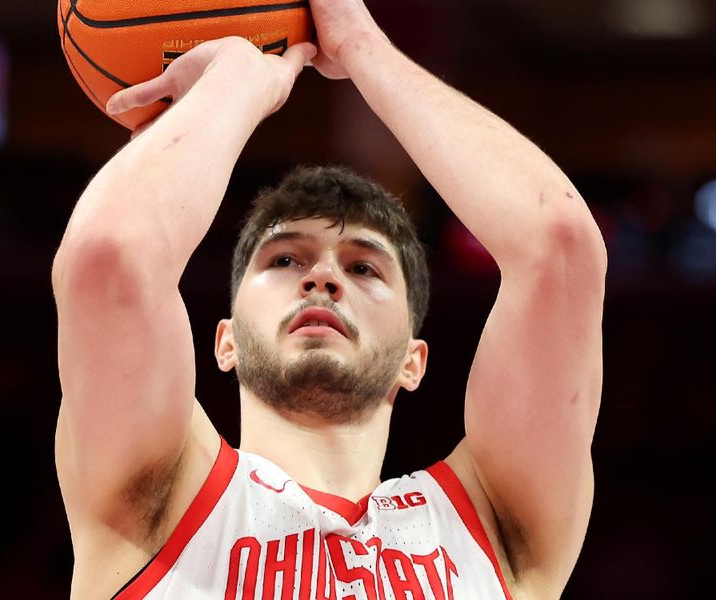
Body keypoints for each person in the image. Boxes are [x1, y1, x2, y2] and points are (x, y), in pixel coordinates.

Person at [52, 1, 607, 599]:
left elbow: (561, 249)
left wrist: (365, 51)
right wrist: (240, 76)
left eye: (365, 267)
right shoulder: (162, 498)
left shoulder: (493, 530)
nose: (322, 278)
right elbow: (108, 259)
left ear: (413, 360)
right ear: (226, 339)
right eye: (284, 260)